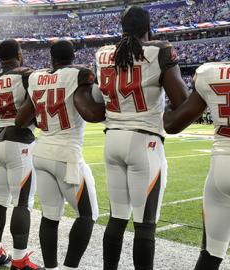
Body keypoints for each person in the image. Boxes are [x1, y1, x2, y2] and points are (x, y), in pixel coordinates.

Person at [94, 6, 188, 270]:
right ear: (148, 27)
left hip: (112, 139)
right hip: (144, 142)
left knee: (117, 217)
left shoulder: (102, 54)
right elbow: (181, 99)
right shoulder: (158, 51)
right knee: (145, 225)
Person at [16, 40, 103, 270]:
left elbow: (20, 121)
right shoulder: (77, 74)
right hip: (67, 154)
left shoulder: (35, 77)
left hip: (41, 151)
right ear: (72, 57)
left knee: (50, 215)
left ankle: (52, 267)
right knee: (88, 214)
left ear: (51, 58)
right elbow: (90, 113)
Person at [0, 39, 41, 270]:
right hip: (19, 141)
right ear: (19, 53)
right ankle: (19, 259)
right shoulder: (26, 74)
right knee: (22, 202)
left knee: (0, 199)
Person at [163, 62, 230, 270]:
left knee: (211, 252)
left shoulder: (209, 73)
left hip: (221, 167)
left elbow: (172, 125)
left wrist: (164, 109)